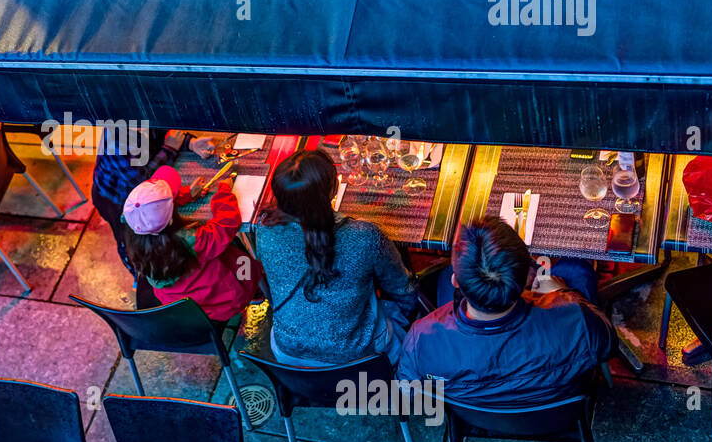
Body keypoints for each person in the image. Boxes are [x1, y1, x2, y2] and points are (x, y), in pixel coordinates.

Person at [396, 216, 615, 407]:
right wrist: (561, 292)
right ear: (528, 281)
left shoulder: (420, 340)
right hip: (558, 409)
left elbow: (411, 392)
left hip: (477, 420)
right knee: (577, 270)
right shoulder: (576, 319)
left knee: (439, 277)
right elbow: (607, 345)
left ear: (456, 282)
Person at [253, 148, 416, 366]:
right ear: (334, 190)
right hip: (358, 355)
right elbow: (401, 287)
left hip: (288, 352)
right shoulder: (364, 237)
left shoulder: (263, 230)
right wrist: (406, 317)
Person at [121, 165, 263, 324]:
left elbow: (150, 215)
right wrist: (224, 192)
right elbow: (228, 223)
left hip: (193, 312)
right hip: (226, 302)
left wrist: (187, 194)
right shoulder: (194, 241)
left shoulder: (135, 238)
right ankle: (256, 293)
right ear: (172, 218)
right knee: (247, 261)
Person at [91, 128, 219, 273]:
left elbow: (166, 132)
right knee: (128, 243)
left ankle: (151, 273)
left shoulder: (142, 118)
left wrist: (190, 143)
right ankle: (138, 274)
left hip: (142, 196)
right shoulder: (115, 142)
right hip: (116, 200)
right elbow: (143, 181)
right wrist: (170, 148)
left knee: (152, 246)